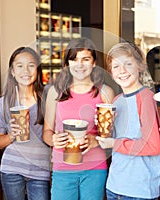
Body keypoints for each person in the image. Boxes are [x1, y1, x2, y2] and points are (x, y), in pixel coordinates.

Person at [43, 37, 115, 200]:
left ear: (94, 63)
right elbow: (46, 132)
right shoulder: (56, 92)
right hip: (62, 168)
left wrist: (95, 140)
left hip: (95, 169)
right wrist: (53, 140)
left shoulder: (105, 92)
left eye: (86, 59)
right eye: (74, 59)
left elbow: (112, 134)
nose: (80, 65)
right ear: (67, 64)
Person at [96, 42, 160, 200]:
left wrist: (114, 143)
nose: (122, 71)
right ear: (111, 72)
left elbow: (153, 146)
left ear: (140, 66)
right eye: (116, 66)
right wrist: (104, 127)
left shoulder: (146, 98)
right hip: (114, 185)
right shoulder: (116, 101)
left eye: (128, 64)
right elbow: (115, 138)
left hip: (139, 191)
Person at [0, 47, 51, 200]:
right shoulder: (4, 102)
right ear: (12, 71)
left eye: (31, 65)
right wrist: (12, 135)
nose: (25, 70)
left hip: (41, 169)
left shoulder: (47, 101)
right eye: (19, 66)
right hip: (12, 169)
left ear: (37, 70)